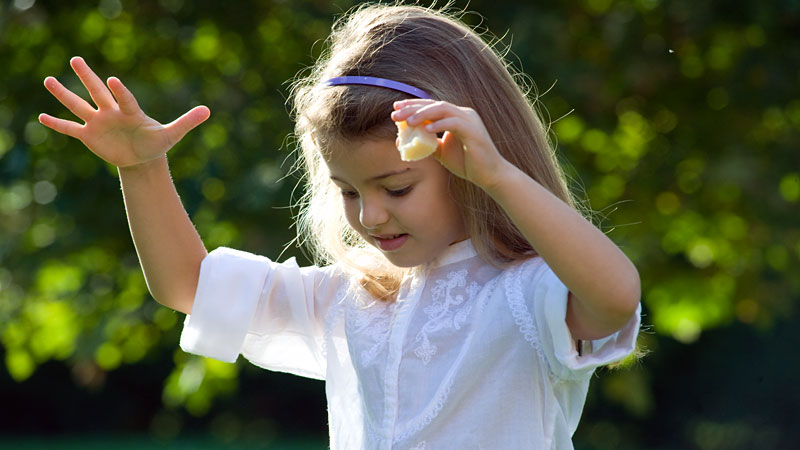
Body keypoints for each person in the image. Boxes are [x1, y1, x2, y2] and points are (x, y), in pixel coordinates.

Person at [39, 4, 641, 449]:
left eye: (397, 187)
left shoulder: (528, 292)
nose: (370, 215)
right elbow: (187, 287)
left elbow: (615, 297)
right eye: (347, 190)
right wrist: (143, 170)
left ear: (467, 162)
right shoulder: (355, 299)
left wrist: (501, 176)